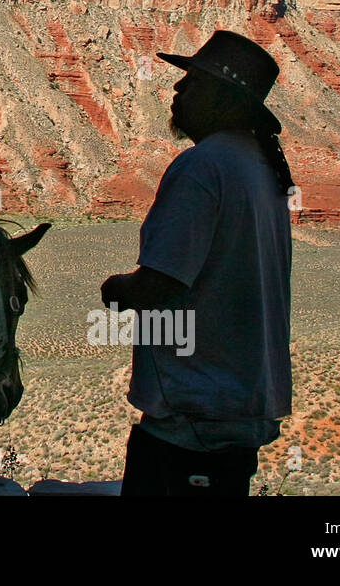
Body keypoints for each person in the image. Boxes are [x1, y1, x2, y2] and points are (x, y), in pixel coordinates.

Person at [100, 30, 294, 496]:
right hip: (237, 410)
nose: (177, 90)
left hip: (192, 419)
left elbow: (160, 285)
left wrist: (117, 289)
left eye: (193, 81)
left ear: (224, 99)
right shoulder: (258, 166)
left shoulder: (202, 167)